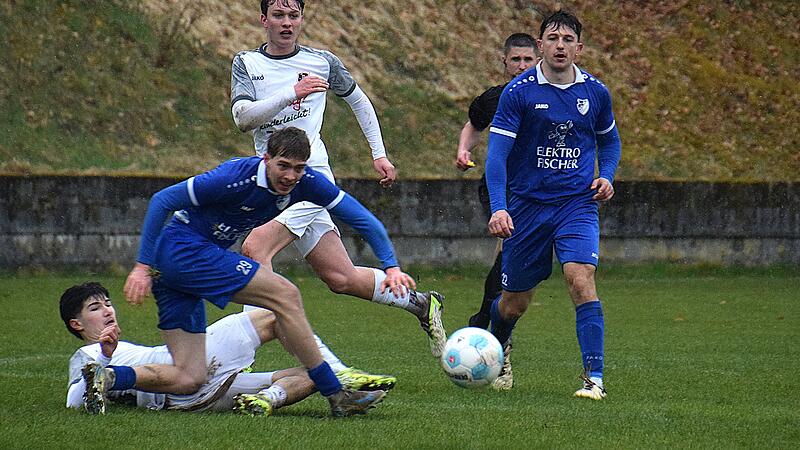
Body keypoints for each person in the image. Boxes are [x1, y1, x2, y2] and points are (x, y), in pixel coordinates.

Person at [119, 127, 414, 417]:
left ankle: (110, 378)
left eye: (298, 169)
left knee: (189, 376)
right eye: (283, 166)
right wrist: (142, 266)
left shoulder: (306, 182)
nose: (290, 176)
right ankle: (336, 393)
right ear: (265, 158)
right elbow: (162, 200)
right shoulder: (233, 178)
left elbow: (361, 217)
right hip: (183, 250)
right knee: (285, 295)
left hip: (176, 269)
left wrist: (391, 266)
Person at [229, 0, 446, 358]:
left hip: (308, 177)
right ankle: (421, 304)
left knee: (255, 248)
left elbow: (360, 102)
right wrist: (291, 94)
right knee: (340, 277)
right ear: (263, 19)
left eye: (293, 16)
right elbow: (243, 119)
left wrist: (379, 153)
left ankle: (239, 360)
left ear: (301, 19)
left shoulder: (322, 62)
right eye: (279, 16)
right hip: (269, 179)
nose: (287, 23)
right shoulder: (247, 63)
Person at [484, 11, 621, 398]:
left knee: (581, 278)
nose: (560, 45)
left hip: (576, 204)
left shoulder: (595, 92)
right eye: (552, 38)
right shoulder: (519, 92)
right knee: (513, 304)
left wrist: (606, 175)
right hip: (526, 206)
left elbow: (609, 141)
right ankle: (498, 344)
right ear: (540, 44)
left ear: (579, 48)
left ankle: (594, 379)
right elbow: (496, 157)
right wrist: (499, 207)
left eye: (567, 39)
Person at [62, 282, 394, 415]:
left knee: (310, 374)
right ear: (77, 325)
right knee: (275, 313)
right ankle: (339, 377)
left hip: (194, 401)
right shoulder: (90, 355)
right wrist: (105, 357)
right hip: (180, 372)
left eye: (108, 304)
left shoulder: (121, 350)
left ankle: (266, 400)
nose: (108, 310)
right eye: (95, 308)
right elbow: (74, 401)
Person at [454, 33, 537, 329]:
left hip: (538, 189)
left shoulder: (552, 97)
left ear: (538, 60)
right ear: (505, 62)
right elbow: (473, 125)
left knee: (513, 254)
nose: (522, 65)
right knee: (511, 241)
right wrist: (464, 149)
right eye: (516, 59)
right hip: (499, 186)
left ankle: (486, 316)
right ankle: (488, 320)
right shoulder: (496, 97)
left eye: (528, 59)